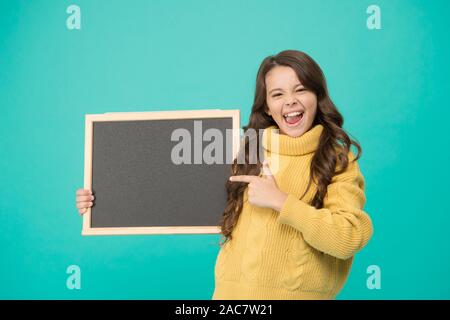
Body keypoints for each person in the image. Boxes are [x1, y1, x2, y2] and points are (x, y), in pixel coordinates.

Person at [213, 50, 373, 299]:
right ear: (266, 107)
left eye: (300, 90)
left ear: (317, 97)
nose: (290, 101)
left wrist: (280, 201)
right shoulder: (246, 153)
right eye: (277, 94)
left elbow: (348, 236)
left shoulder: (337, 161)